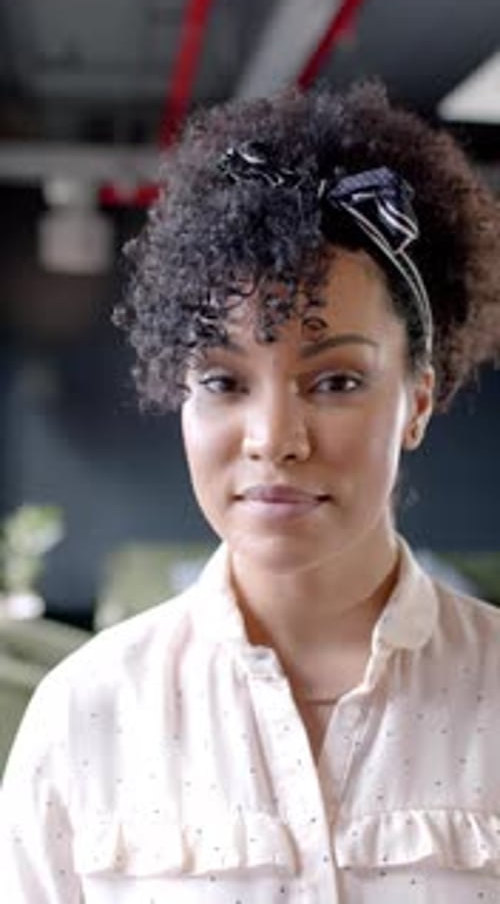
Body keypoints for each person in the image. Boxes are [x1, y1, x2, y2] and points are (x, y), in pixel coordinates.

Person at [3, 80, 500, 902]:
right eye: (224, 380)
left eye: (336, 379)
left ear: (417, 399)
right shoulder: (83, 716)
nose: (274, 435)